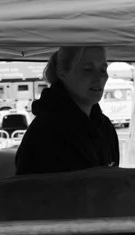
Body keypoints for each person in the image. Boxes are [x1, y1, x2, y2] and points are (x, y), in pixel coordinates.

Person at [14, 46, 119, 175]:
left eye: (103, 69)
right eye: (88, 69)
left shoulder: (105, 127)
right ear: (62, 72)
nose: (100, 77)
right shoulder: (45, 132)